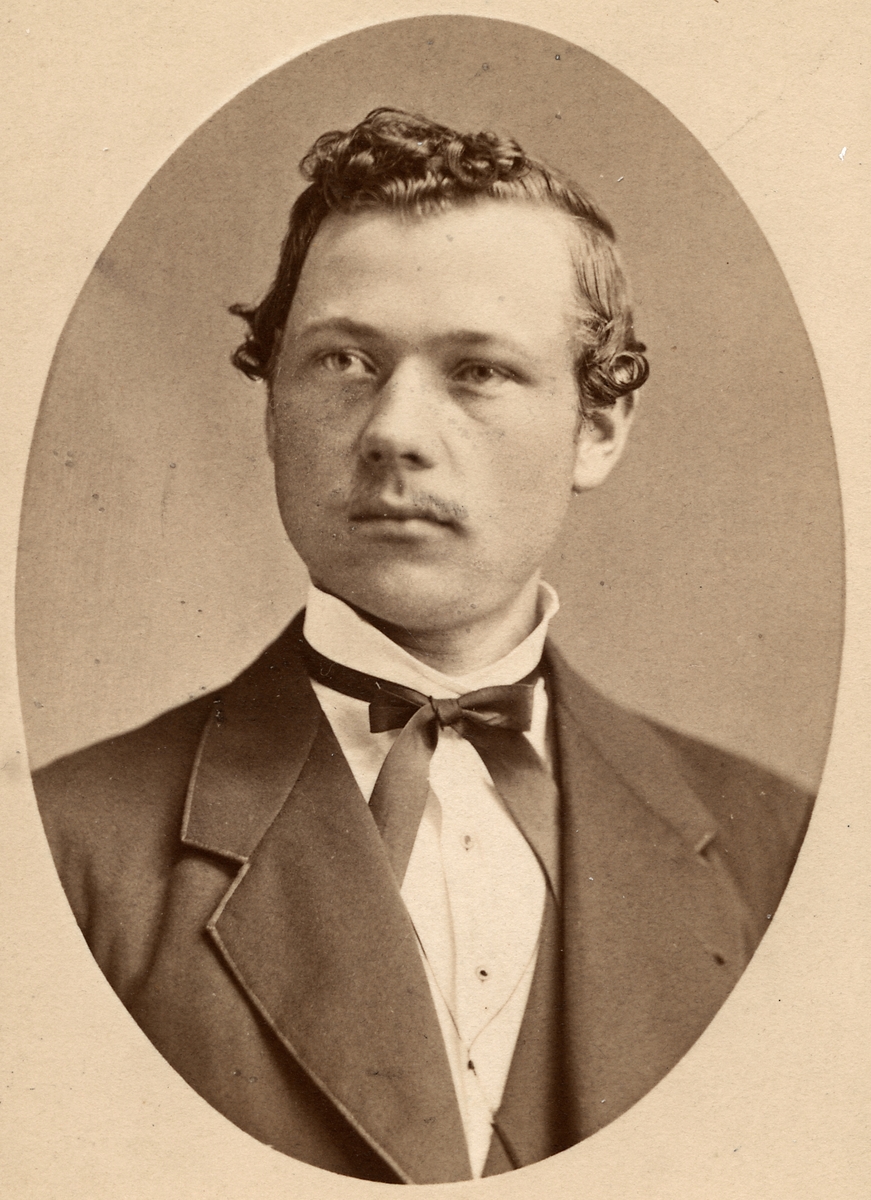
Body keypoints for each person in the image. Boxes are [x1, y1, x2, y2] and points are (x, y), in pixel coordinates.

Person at [33, 108, 813, 1184]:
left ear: (597, 430)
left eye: (477, 371)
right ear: (270, 410)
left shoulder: (781, 852)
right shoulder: (60, 853)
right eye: (345, 360)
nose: (395, 431)